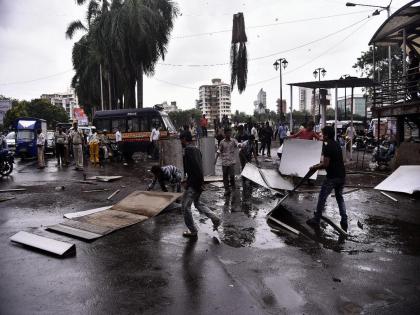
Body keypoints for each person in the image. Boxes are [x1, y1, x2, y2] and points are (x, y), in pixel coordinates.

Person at [306, 126, 348, 232]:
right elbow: (333, 161)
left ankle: (317, 219)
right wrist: (318, 165)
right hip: (341, 176)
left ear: (327, 135)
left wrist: (315, 167)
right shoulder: (337, 144)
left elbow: (325, 164)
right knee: (339, 197)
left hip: (332, 177)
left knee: (322, 197)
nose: (320, 135)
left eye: (322, 133)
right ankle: (344, 219)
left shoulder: (327, 146)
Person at [180, 132, 221, 238]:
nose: (181, 142)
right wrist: (200, 182)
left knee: (185, 206)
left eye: (181, 140)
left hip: (194, 182)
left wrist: (190, 183)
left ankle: (193, 230)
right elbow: (198, 167)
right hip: (198, 180)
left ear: (184, 139)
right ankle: (214, 218)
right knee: (197, 203)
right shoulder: (197, 150)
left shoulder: (188, 151)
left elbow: (194, 169)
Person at [215, 127, 238, 196]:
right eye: (227, 133)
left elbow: (238, 144)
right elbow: (219, 150)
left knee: (231, 176)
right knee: (225, 176)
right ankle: (227, 189)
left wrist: (241, 145)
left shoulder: (233, 141)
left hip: (231, 162)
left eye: (230, 133)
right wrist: (215, 159)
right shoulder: (222, 142)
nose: (229, 134)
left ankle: (233, 187)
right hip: (224, 162)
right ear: (225, 134)